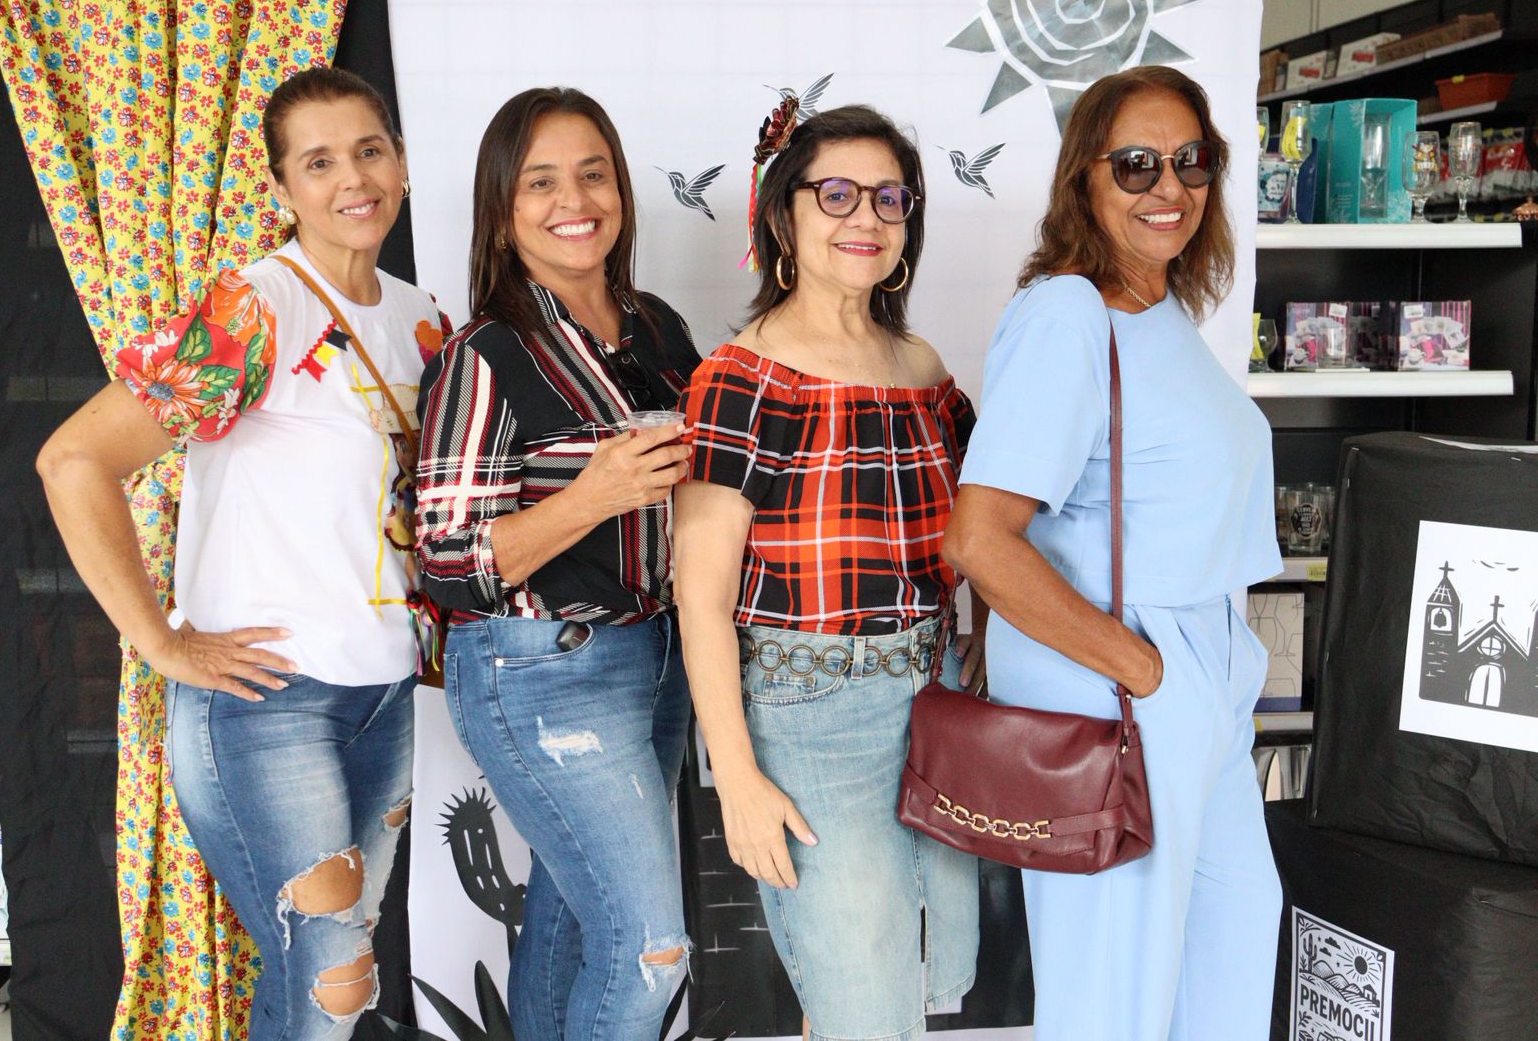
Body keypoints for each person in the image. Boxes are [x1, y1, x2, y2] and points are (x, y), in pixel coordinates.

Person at [36, 66, 442, 1039]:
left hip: (385, 696)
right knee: (333, 981)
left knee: (326, 977)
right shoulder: (255, 309)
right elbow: (74, 460)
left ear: (401, 161)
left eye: (370, 150)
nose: (353, 178)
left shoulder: (421, 316)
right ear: (281, 187)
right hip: (269, 703)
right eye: (319, 162)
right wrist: (160, 641)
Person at [943, 65, 1283, 1041]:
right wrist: (1146, 671)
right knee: (1115, 998)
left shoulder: (1159, 309)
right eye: (1136, 164)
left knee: (1229, 948)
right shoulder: (1069, 314)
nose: (1168, 186)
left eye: (1191, 161)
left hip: (1198, 670)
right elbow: (979, 537)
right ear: (1084, 180)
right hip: (1124, 681)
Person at [675, 104, 982, 1041]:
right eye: (837, 194)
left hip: (935, 701)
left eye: (891, 198)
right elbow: (700, 595)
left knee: (901, 991)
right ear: (783, 215)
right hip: (814, 715)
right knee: (862, 997)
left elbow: (984, 533)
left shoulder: (923, 368)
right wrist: (736, 776)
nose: (867, 218)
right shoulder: (741, 378)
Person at [414, 87, 701, 1040]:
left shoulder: (658, 329)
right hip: (543, 670)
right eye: (540, 182)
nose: (573, 200)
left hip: (658, 660)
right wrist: (593, 495)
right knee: (650, 947)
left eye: (592, 174)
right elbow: (448, 562)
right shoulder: (485, 355)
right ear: (502, 210)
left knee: (575, 927)